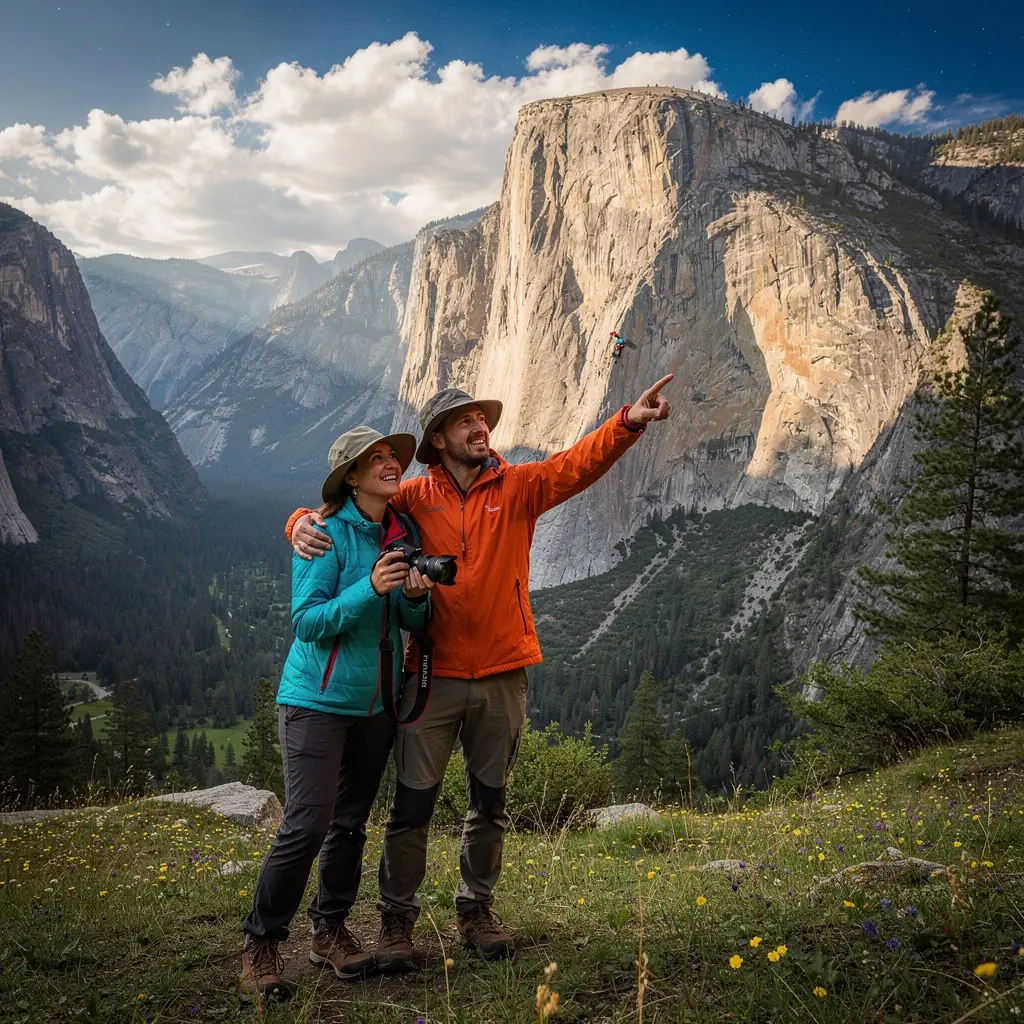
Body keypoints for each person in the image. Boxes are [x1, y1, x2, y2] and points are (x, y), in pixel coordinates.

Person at [286, 376, 673, 967]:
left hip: (501, 672)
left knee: (489, 802)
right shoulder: (414, 498)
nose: (479, 427)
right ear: (438, 439)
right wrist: (299, 521)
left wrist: (629, 423)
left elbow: (575, 466)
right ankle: (396, 922)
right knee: (412, 807)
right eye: (465, 421)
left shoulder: (517, 486)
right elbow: (348, 512)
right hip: (432, 678)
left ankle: (476, 912)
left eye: (482, 419)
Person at [240, 425, 434, 1001]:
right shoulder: (322, 534)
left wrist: (416, 599)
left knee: (349, 823)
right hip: (315, 703)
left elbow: (411, 625)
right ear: (351, 477)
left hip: (375, 705)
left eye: (392, 457)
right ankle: (260, 945)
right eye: (375, 459)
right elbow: (308, 621)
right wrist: (371, 588)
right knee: (307, 822)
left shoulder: (398, 532)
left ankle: (330, 931)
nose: (390, 463)